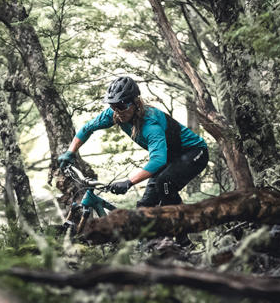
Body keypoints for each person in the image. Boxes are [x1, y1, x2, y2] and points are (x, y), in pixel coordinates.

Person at [57, 76, 208, 207]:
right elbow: (87, 129)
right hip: (169, 157)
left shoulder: (151, 125)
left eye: (121, 106)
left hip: (194, 152)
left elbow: (158, 160)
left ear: (136, 103)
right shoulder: (114, 114)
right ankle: (154, 240)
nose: (117, 111)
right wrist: (70, 152)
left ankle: (184, 232)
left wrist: (129, 182)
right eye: (113, 106)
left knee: (165, 184)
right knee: (145, 207)